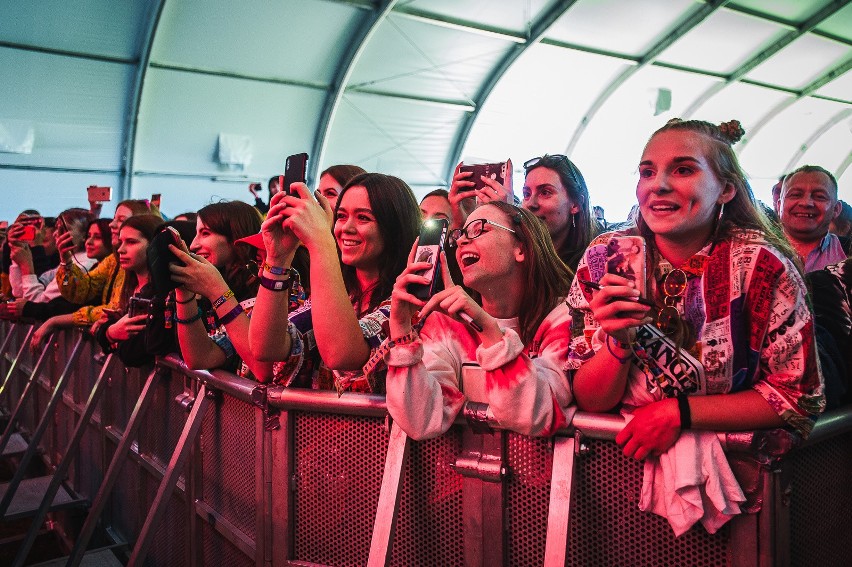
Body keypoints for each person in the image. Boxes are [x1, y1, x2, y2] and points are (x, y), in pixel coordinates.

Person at [566, 118, 824, 535]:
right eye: (647, 172)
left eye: (683, 169)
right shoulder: (604, 258)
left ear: (725, 189)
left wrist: (678, 414)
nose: (658, 185)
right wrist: (616, 346)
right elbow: (588, 399)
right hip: (616, 483)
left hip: (743, 498)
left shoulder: (761, 266)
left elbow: (798, 396)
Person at [384, 201, 575, 439]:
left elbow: (535, 415)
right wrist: (401, 331)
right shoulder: (447, 326)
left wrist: (488, 331)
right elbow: (421, 421)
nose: (462, 241)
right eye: (460, 235)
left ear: (521, 249)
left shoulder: (562, 319)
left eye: (478, 229)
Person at [249, 172, 420, 392]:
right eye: (341, 216)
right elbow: (265, 348)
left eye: (363, 218)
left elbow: (341, 355)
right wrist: (277, 258)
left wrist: (321, 241)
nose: (345, 228)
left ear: (395, 229)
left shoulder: (412, 299)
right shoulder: (345, 294)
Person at [169, 201, 278, 382]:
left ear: (235, 236)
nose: (194, 245)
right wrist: (184, 293)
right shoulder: (226, 285)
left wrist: (216, 291)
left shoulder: (267, 291)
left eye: (205, 233)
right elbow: (199, 358)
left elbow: (263, 368)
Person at [54, 199, 159, 328]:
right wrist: (66, 262)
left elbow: (117, 308)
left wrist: (57, 321)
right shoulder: (113, 259)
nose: (111, 224)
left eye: (121, 219)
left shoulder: (147, 268)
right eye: (114, 218)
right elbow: (78, 291)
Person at [94, 214, 168, 367]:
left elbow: (133, 353)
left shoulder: (159, 292)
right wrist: (111, 331)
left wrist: (112, 335)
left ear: (153, 245)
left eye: (131, 242)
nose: (120, 250)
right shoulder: (128, 284)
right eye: (121, 242)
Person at [521, 154, 600, 271]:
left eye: (545, 192)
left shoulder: (596, 264)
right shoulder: (516, 258)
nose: (531, 204)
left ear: (575, 204)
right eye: (527, 194)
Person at [778, 164, 845, 272]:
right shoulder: (757, 249)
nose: (806, 203)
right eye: (795, 195)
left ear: (836, 209)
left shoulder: (847, 253)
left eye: (819, 196)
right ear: (779, 205)